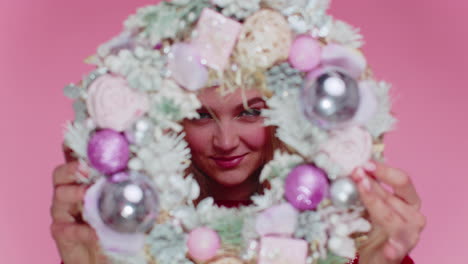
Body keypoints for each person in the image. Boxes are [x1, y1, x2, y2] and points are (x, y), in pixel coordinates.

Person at [51, 87, 425, 264]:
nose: (226, 141)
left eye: (250, 112)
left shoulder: (344, 231)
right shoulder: (132, 230)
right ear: (166, 118)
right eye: (200, 115)